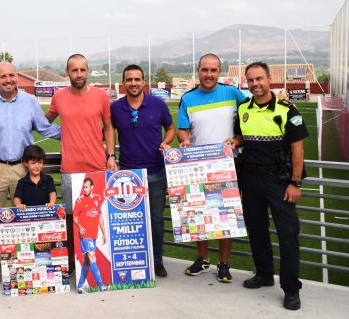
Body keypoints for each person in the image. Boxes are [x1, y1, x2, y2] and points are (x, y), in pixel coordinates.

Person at [0, 61, 60, 285]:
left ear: (16, 77)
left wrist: (76, 133)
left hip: (23, 168)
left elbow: (45, 127)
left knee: (26, 216)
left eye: (12, 75)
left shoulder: (29, 101)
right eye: (3, 77)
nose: (8, 80)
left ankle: (26, 261)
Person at [230, 62, 308, 310]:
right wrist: (234, 141)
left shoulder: (287, 109)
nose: (255, 84)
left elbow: (297, 148)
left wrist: (294, 182)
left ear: (269, 79)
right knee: (257, 230)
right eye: (251, 80)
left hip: (279, 181)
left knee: (287, 234)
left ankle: (291, 288)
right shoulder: (243, 108)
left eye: (259, 79)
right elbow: (242, 136)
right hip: (251, 179)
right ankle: (264, 274)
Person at [177, 53, 246, 283]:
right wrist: (184, 140)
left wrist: (237, 140)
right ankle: (203, 258)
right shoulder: (187, 98)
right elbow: (182, 128)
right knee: (200, 216)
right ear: (198, 71)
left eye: (213, 70)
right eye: (205, 70)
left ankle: (224, 264)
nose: (209, 74)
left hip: (228, 165)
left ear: (220, 72)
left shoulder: (233, 93)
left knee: (226, 217)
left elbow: (249, 122)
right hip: (197, 166)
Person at [45, 54, 117, 271]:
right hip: (70, 169)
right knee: (70, 216)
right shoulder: (59, 97)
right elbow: (44, 121)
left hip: (97, 167)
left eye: (82, 70)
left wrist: (111, 155)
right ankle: (71, 261)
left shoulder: (101, 96)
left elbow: (108, 127)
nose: (78, 74)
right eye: (74, 70)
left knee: (96, 214)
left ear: (88, 71)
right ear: (67, 72)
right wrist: (62, 134)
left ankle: (101, 259)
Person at [110, 64, 175, 278]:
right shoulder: (116, 107)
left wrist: (166, 142)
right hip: (128, 175)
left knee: (156, 218)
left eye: (137, 79)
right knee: (130, 221)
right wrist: (110, 156)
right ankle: (135, 260)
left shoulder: (157, 104)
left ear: (144, 82)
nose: (133, 83)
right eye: (129, 80)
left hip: (156, 171)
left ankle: (157, 260)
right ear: (123, 83)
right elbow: (108, 132)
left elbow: (171, 128)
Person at [73, 178, 107, 293]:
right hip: (85, 234)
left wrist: (103, 233)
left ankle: (79, 286)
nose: (84, 189)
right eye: (83, 187)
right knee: (92, 257)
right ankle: (101, 285)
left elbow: (100, 216)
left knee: (87, 261)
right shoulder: (79, 200)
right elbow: (75, 216)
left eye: (87, 187)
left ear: (92, 187)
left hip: (94, 234)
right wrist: (80, 227)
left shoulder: (98, 198)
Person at [12, 145, 57, 210]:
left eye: (40, 162)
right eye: (33, 163)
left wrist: (52, 202)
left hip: (46, 215)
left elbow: (52, 192)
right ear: (26, 163)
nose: (37, 166)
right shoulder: (22, 182)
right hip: (28, 216)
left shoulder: (48, 179)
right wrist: (19, 204)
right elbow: (17, 197)